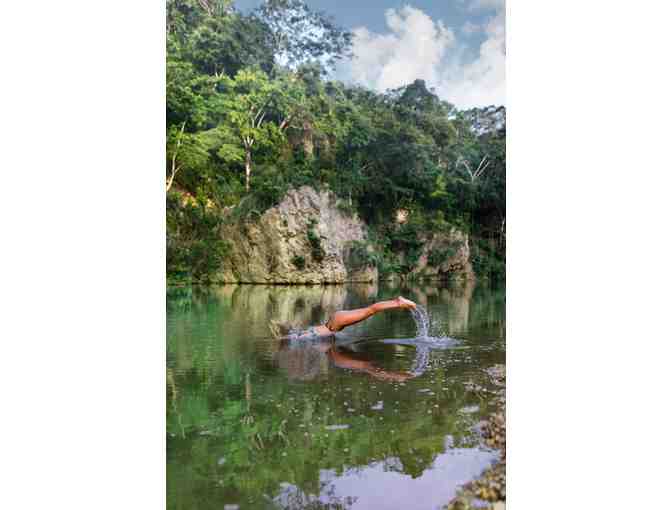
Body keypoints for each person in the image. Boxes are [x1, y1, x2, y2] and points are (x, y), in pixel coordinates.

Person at [269, 296, 417, 340]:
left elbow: (290, 337)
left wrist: (282, 338)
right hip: (335, 320)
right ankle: (398, 302)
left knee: (370, 310)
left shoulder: (298, 336)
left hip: (336, 323)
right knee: (369, 310)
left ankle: (398, 302)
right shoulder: (299, 333)